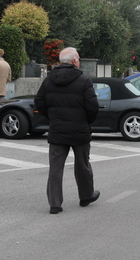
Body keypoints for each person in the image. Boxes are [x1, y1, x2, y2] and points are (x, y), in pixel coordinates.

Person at [34, 47, 100, 214]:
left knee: (55, 168)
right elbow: (92, 107)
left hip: (57, 130)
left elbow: (39, 101)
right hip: (80, 130)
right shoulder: (84, 80)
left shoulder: (49, 80)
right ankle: (86, 196)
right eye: (78, 58)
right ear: (74, 61)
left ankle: (55, 204)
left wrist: (52, 117)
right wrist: (86, 121)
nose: (79, 61)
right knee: (82, 165)